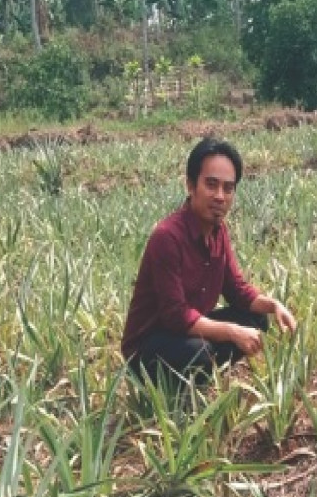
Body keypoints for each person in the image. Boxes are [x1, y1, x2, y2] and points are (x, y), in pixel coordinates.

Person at [121, 138, 297, 388]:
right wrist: (232, 332)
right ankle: (178, 394)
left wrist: (274, 305)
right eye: (211, 185)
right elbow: (175, 316)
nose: (220, 196)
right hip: (148, 347)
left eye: (228, 188)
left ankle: (198, 379)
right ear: (191, 185)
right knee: (198, 352)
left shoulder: (218, 231)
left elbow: (236, 290)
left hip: (185, 334)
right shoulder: (167, 237)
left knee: (257, 319)